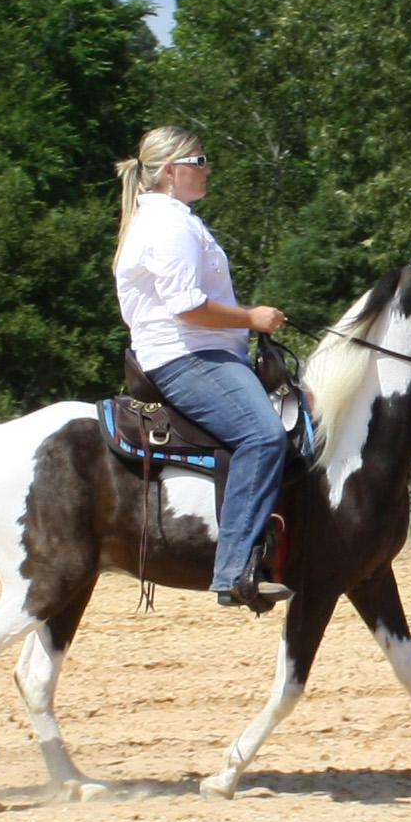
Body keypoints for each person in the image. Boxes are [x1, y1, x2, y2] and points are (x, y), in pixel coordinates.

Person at [113, 126, 292, 611]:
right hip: (189, 356)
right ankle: (235, 568)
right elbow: (188, 308)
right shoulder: (169, 224)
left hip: (201, 353)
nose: (207, 167)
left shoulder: (170, 219)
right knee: (263, 436)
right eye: (199, 159)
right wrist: (252, 318)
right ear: (171, 171)